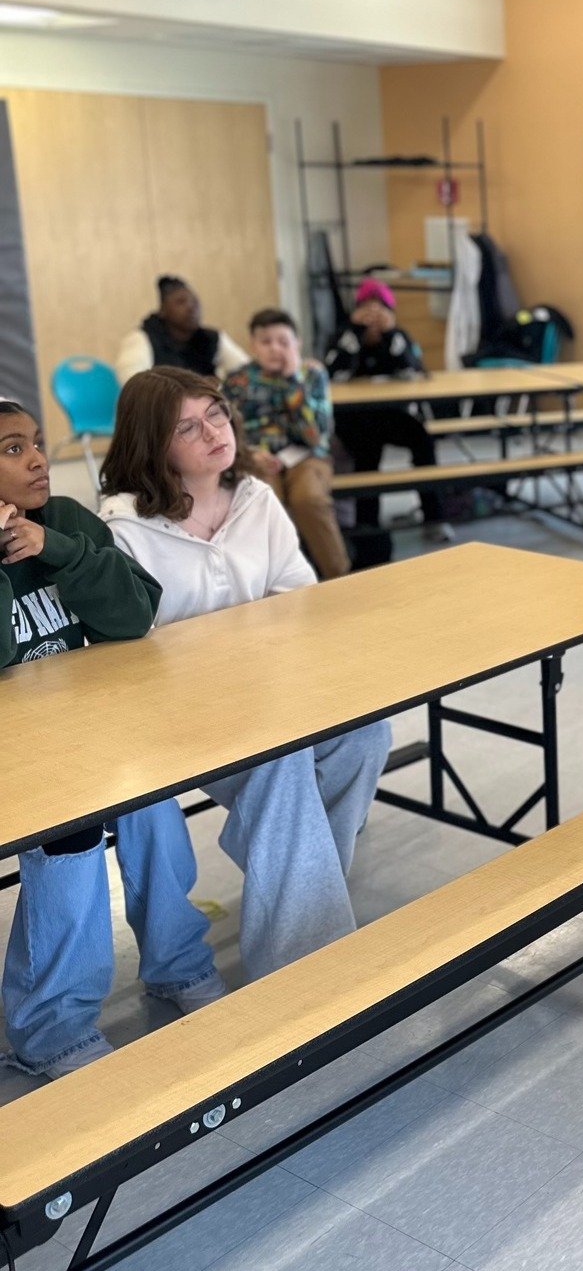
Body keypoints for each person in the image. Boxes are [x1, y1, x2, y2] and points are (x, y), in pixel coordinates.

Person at [99, 368, 392, 978]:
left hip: (272, 692)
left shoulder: (257, 499)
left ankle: (299, 893)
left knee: (366, 733)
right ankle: (303, 969)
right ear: (153, 446)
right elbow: (135, 655)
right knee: (281, 761)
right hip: (182, 716)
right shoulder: (124, 530)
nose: (214, 432)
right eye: (188, 427)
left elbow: (300, 601)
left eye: (216, 413)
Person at [0, 399, 226, 1080]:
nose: (39, 459)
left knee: (150, 798)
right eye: (13, 449)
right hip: (18, 753)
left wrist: (57, 549)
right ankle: (50, 1028)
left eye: (36, 443)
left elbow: (133, 617)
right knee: (71, 832)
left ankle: (176, 962)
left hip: (84, 733)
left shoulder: (65, 521)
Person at [223, 308, 351, 579]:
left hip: (307, 456)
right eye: (266, 341)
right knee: (268, 502)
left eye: (283, 342)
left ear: (297, 344)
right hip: (256, 457)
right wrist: (249, 455)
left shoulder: (312, 375)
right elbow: (227, 431)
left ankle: (338, 575)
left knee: (309, 499)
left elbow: (317, 435)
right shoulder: (238, 380)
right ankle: (276, 582)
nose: (275, 349)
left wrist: (294, 380)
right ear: (252, 345)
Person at [325, 279, 455, 546]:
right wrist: (355, 332)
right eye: (366, 309)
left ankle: (434, 516)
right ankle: (367, 527)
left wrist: (391, 334)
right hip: (353, 417)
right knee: (367, 454)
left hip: (389, 413)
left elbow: (414, 370)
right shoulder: (344, 336)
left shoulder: (398, 337)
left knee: (422, 440)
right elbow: (331, 374)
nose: (373, 315)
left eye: (380, 309)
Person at [116, 275, 247, 384]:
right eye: (181, 302)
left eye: (194, 302)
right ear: (162, 310)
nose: (191, 308)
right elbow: (133, 386)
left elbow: (247, 372)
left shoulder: (210, 338)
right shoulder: (142, 338)